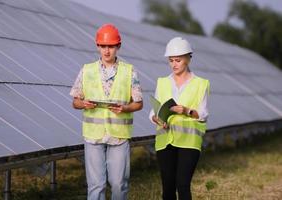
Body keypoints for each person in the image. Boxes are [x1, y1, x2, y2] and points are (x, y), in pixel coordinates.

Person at [70, 23, 143, 200]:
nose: (107, 51)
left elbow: (139, 103)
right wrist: (83, 104)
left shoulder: (129, 71)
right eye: (103, 46)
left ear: (118, 46)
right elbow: (75, 101)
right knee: (96, 185)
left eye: (110, 46)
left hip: (118, 135)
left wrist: (125, 108)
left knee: (119, 183)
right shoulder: (86, 70)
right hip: (93, 135)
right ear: (98, 46)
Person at [149, 37, 210, 200]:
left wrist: (186, 111)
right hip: (165, 141)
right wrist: (156, 118)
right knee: (168, 187)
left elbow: (203, 114)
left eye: (178, 60)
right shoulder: (162, 82)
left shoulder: (201, 84)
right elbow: (153, 111)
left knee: (182, 185)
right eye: (171, 60)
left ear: (188, 59)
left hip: (189, 142)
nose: (174, 64)